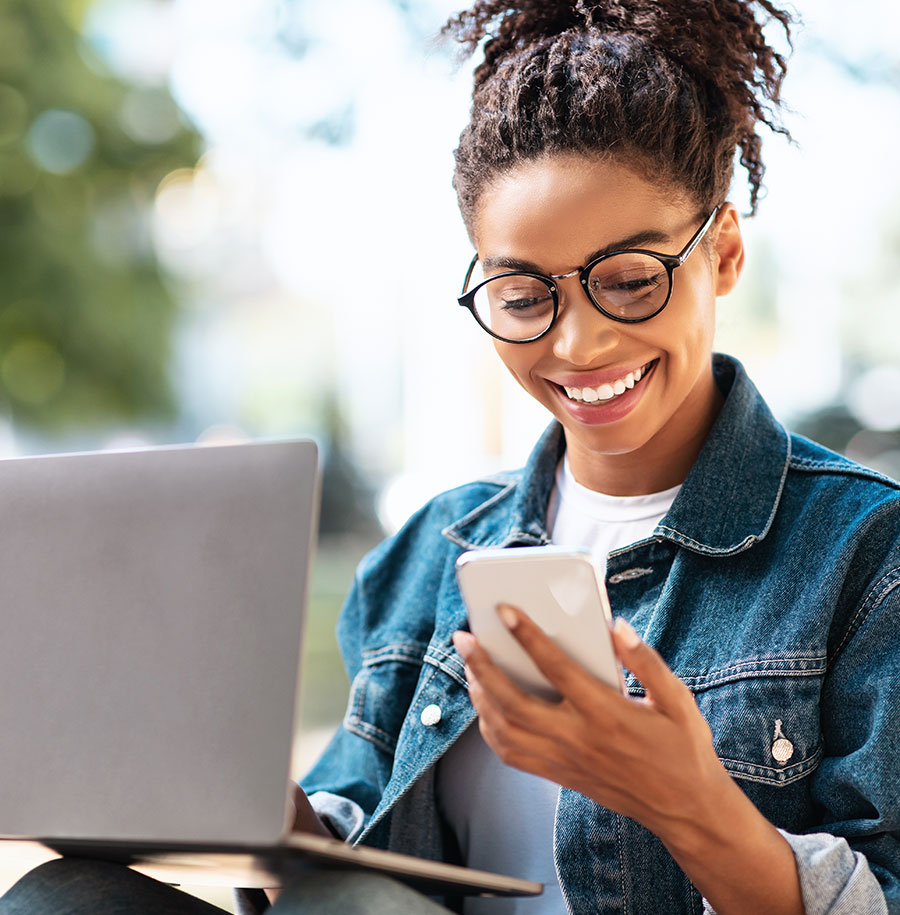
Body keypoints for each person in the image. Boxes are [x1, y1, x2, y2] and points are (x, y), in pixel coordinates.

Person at [3, 0, 900, 913]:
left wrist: (691, 803)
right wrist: (248, 813)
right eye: (520, 296)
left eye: (631, 281)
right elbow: (340, 870)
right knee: (61, 896)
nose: (580, 344)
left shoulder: (865, 553)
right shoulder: (431, 549)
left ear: (725, 253)